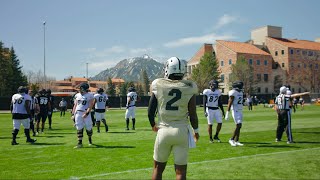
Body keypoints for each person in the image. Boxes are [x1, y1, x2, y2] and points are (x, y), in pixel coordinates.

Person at [148, 57, 199, 180]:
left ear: (168, 69)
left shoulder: (158, 84)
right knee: (180, 172)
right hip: (182, 131)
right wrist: (196, 131)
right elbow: (193, 113)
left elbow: (150, 111)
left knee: (158, 169)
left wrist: (152, 125)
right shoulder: (189, 86)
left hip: (164, 130)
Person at [71, 82, 94, 148]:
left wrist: (87, 113)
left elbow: (90, 105)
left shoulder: (90, 95)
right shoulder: (77, 95)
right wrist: (73, 114)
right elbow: (75, 105)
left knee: (89, 128)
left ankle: (90, 139)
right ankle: (79, 143)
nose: (79, 90)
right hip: (78, 113)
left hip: (85, 112)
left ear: (84, 89)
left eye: (80, 88)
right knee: (79, 128)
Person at [225, 80, 244, 147]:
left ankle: (237, 140)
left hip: (240, 110)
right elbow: (230, 102)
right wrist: (227, 112)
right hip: (235, 110)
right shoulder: (233, 92)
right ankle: (231, 139)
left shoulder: (240, 92)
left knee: (239, 126)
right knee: (238, 125)